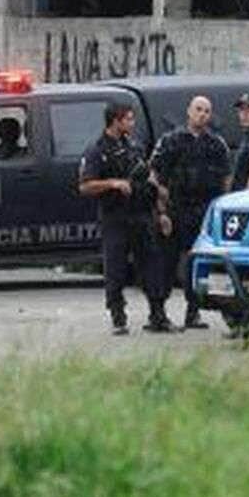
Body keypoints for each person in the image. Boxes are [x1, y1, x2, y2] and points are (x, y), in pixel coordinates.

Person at [78, 102, 175, 335]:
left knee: (152, 265)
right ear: (116, 121)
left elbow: (148, 180)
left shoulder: (135, 146)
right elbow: (85, 186)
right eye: (129, 119)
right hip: (116, 217)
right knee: (116, 269)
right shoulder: (97, 150)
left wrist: (161, 210)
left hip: (141, 215)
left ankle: (158, 315)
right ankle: (118, 316)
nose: (132, 124)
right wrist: (113, 183)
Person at [150, 96, 232, 330]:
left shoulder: (216, 144)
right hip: (176, 209)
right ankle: (157, 314)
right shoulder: (171, 141)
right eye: (198, 109)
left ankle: (193, 312)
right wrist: (161, 211)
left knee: (197, 265)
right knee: (166, 263)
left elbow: (226, 179)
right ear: (189, 111)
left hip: (203, 212)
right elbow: (155, 176)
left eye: (207, 111)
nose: (202, 114)